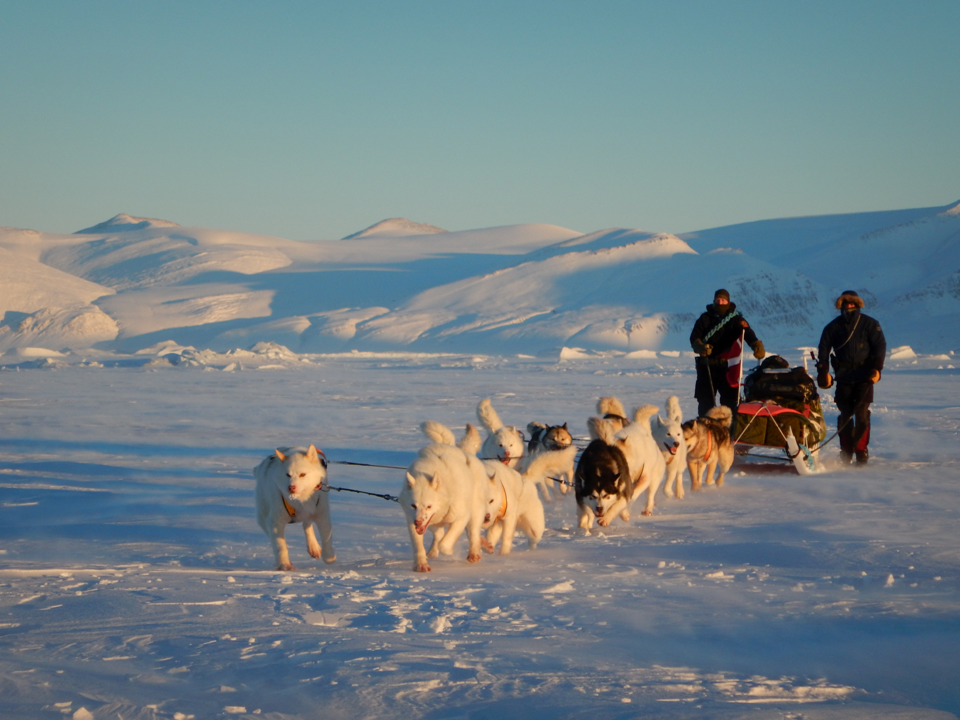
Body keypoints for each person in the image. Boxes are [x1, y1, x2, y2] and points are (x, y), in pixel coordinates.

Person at [816, 290, 886, 465]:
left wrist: (877, 369)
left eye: (852, 303)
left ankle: (861, 451)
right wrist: (823, 373)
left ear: (858, 305)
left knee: (862, 415)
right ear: (841, 305)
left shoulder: (870, 324)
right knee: (846, 415)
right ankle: (846, 452)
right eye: (846, 303)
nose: (849, 306)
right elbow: (823, 350)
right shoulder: (832, 327)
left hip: (865, 376)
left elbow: (879, 347)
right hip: (844, 377)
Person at [689, 289, 765, 418]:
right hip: (707, 365)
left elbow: (747, 332)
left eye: (723, 300)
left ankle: (728, 431)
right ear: (714, 301)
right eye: (718, 300)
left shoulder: (736, 319)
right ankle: (705, 430)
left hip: (728, 367)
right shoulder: (705, 318)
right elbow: (695, 338)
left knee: (729, 403)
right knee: (705, 402)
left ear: (728, 301)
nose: (720, 302)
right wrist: (700, 347)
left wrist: (756, 344)